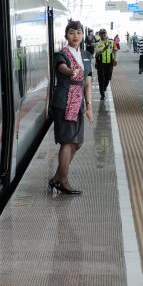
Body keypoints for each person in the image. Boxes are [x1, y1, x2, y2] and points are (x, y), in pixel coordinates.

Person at [49, 20, 93, 196]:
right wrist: (70, 72)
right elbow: (62, 68)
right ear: (66, 35)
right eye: (71, 33)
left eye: (79, 32)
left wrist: (89, 105)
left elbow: (88, 82)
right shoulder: (61, 54)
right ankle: (63, 180)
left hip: (78, 103)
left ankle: (57, 178)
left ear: (83, 35)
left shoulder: (86, 55)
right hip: (64, 103)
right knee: (68, 141)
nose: (75, 36)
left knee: (77, 142)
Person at [94, 28, 116, 101]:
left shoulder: (111, 41)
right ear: (99, 35)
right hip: (100, 63)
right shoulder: (97, 43)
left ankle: (103, 89)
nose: (103, 35)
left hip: (109, 63)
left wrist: (115, 59)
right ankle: (102, 94)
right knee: (101, 78)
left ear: (106, 34)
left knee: (108, 77)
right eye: (101, 33)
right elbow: (96, 53)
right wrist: (103, 49)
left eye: (104, 33)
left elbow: (115, 51)